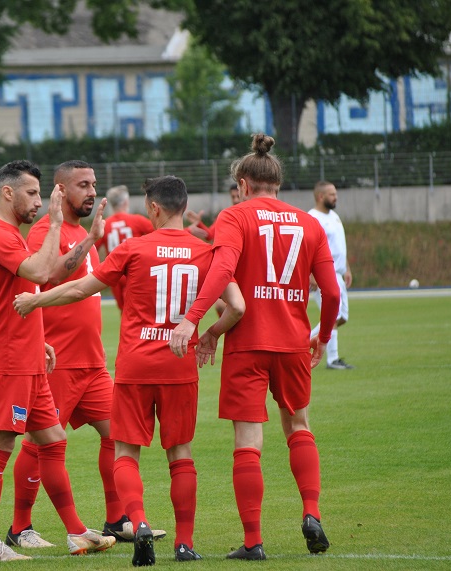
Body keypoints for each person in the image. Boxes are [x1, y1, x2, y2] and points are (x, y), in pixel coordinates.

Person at [14, 175, 245, 566]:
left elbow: (78, 289)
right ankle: (184, 544)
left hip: (136, 366)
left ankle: (136, 523)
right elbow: (236, 306)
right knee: (181, 454)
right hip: (179, 366)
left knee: (125, 451)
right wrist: (210, 335)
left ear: (153, 207)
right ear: (184, 206)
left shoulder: (133, 248)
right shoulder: (205, 251)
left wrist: (36, 302)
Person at [169, 134, 340, 560]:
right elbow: (332, 292)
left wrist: (193, 320)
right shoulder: (310, 222)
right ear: (277, 185)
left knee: (248, 441)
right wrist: (322, 337)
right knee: (298, 425)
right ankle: (312, 511)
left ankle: (253, 542)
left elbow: (223, 267)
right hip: (293, 341)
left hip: (247, 344)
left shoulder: (234, 216)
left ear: (243, 183)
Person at [7, 162, 163, 549]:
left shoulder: (82, 230)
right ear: (60, 191)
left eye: (94, 184)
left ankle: (116, 520)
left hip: (93, 363)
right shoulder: (47, 230)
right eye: (83, 185)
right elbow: (49, 278)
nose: (92, 191)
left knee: (119, 434)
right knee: (41, 442)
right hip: (61, 361)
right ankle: (19, 528)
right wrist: (91, 241)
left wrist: (91, 239)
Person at [0, 159, 116, 561]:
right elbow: (40, 272)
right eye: (32, 192)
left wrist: (39, 341)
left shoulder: (10, 234)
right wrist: (54, 224)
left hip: (27, 355)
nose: (39, 200)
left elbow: (34, 281)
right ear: (7, 193)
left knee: (53, 439)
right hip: (6, 359)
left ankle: (76, 533)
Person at [308, 180, 355, 369]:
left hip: (338, 273)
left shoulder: (334, 216)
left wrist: (347, 269)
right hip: (324, 273)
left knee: (341, 317)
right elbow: (308, 248)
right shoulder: (313, 218)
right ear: (321, 196)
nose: (336, 197)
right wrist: (311, 274)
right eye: (332, 194)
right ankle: (332, 359)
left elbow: (339, 246)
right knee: (333, 316)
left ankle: (301, 343)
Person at [96, 184, 154, 310]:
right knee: (137, 312)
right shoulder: (137, 220)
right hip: (134, 272)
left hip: (114, 274)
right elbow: (161, 234)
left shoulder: (105, 224)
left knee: (124, 312)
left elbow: (92, 248)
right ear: (126, 202)